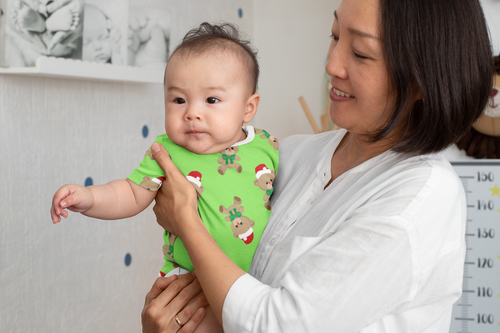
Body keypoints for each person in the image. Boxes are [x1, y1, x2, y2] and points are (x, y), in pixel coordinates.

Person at [140, 0, 495, 332]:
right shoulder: (292, 154)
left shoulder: (418, 200)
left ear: (422, 80)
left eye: (360, 52)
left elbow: (277, 324)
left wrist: (185, 220)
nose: (331, 65)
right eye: (335, 36)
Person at [50, 21, 278, 316]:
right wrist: (90, 197)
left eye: (211, 100)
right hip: (187, 284)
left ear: (248, 108)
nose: (192, 113)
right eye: (179, 100)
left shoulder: (267, 146)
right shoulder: (168, 151)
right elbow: (131, 193)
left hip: (254, 283)